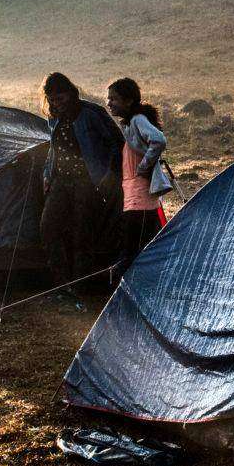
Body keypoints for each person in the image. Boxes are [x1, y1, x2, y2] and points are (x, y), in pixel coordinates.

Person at [40, 72, 122, 298]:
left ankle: (79, 288)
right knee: (48, 228)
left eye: (61, 98)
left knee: (82, 233)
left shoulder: (91, 114)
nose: (57, 103)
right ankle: (61, 285)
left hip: (88, 182)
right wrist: (48, 173)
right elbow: (54, 148)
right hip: (60, 181)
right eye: (53, 99)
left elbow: (116, 143)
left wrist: (108, 175)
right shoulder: (54, 117)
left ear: (71, 93)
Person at [106, 77, 168, 265]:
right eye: (108, 99)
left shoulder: (137, 120)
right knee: (135, 241)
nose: (109, 103)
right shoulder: (129, 123)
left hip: (141, 195)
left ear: (129, 101)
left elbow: (159, 140)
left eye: (114, 99)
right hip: (133, 193)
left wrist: (143, 166)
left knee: (135, 245)